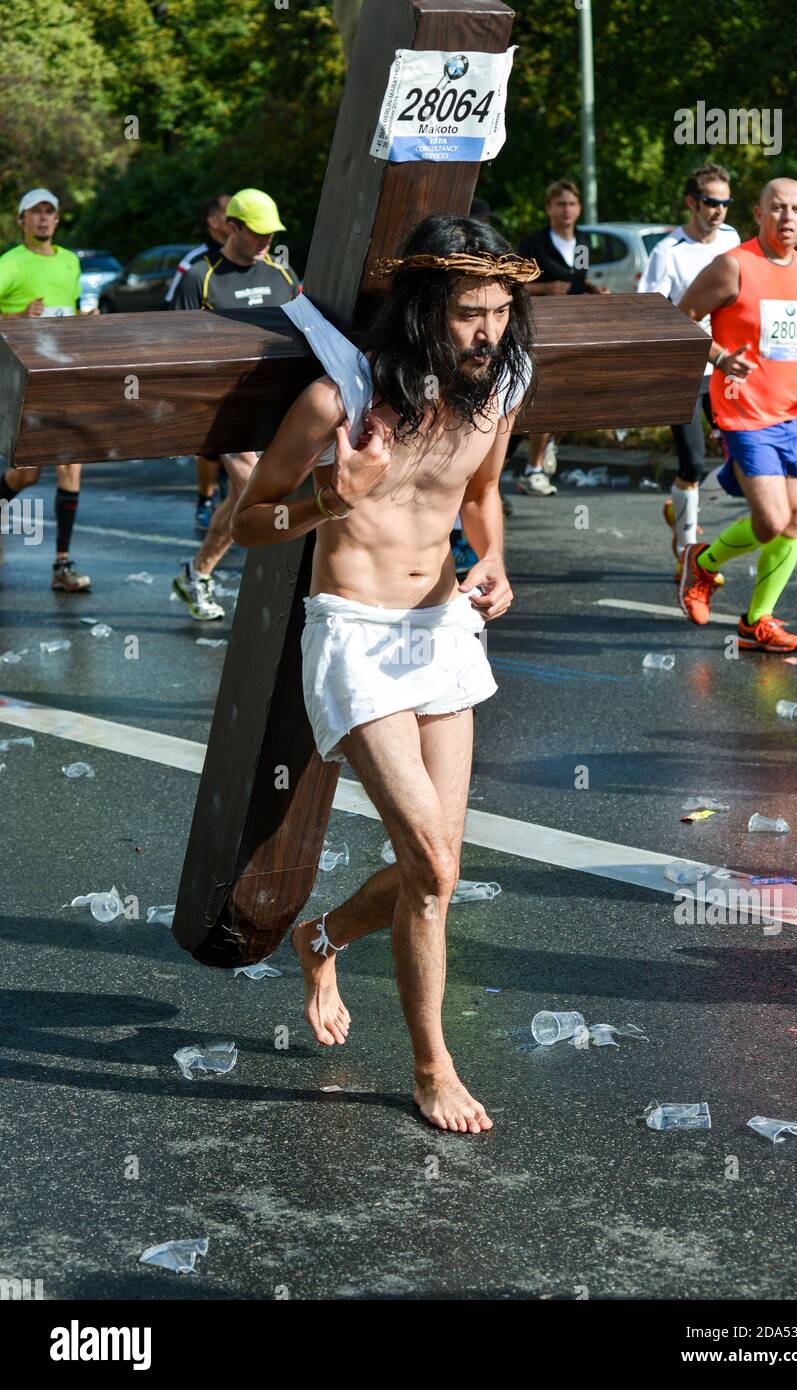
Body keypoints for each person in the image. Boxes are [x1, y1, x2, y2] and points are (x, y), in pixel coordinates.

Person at [230, 215, 538, 1133]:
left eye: (499, 312)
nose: (487, 333)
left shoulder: (500, 390)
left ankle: (320, 938)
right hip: (356, 636)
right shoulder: (340, 402)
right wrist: (333, 495)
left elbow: (481, 499)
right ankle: (432, 1066)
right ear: (422, 313)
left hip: (442, 628)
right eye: (468, 315)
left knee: (432, 872)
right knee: (434, 863)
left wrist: (495, 563)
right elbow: (252, 522)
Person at [677, 179, 797, 652]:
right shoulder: (733, 266)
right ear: (758, 214)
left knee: (795, 523)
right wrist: (721, 357)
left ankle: (757, 620)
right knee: (770, 521)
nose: (787, 217)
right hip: (743, 412)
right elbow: (682, 318)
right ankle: (704, 563)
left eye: (796, 210)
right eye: (777, 208)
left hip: (792, 413)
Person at [171, 188, 301, 620]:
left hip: (277, 405)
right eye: (258, 233)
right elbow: (175, 347)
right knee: (254, 489)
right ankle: (282, 591)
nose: (266, 241)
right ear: (232, 227)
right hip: (222, 408)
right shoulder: (200, 277)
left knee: (248, 498)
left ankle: (198, 570)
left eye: (271, 234)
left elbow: (305, 337)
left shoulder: (281, 275)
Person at [638, 164, 740, 582]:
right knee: (694, 462)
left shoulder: (733, 240)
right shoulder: (668, 250)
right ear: (691, 203)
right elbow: (650, 310)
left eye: (725, 203)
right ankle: (687, 550)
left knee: (741, 462)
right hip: (683, 369)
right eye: (711, 203)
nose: (718, 211)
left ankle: (680, 503)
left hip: (726, 366)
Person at [0, 188, 95, 592]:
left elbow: (68, 312)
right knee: (27, 475)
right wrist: (18, 316)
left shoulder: (71, 262)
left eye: (49, 213)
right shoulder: (10, 263)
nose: (42, 219)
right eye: (34, 213)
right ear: (21, 219)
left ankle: (62, 565)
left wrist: (85, 320)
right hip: (23, 381)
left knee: (72, 465)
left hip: (64, 376)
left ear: (57, 220)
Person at [517, 179, 609, 496]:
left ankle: (545, 446)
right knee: (542, 394)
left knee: (564, 394)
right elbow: (514, 286)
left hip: (573, 327)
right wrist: (546, 289)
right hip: (539, 328)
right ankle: (533, 467)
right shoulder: (534, 244)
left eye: (571, 204)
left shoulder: (583, 241)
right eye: (560, 204)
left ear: (579, 208)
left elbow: (577, 279)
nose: (566, 210)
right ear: (548, 208)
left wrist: (594, 291)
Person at [165, 193, 231, 530]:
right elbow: (174, 311)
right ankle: (204, 501)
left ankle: (232, 497)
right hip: (209, 365)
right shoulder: (195, 261)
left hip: (244, 366)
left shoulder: (256, 259)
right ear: (214, 221)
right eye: (228, 212)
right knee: (211, 443)